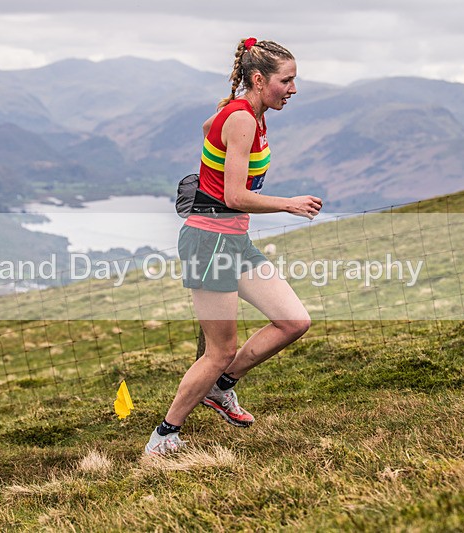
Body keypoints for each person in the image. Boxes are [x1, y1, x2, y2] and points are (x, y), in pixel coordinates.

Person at [145, 38, 322, 455]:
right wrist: (289, 203)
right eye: (287, 80)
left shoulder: (249, 115)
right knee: (220, 349)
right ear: (259, 80)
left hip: (234, 241)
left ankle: (221, 390)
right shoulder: (243, 119)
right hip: (210, 241)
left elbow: (209, 128)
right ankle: (164, 437)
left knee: (293, 321)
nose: (293, 89)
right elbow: (234, 197)